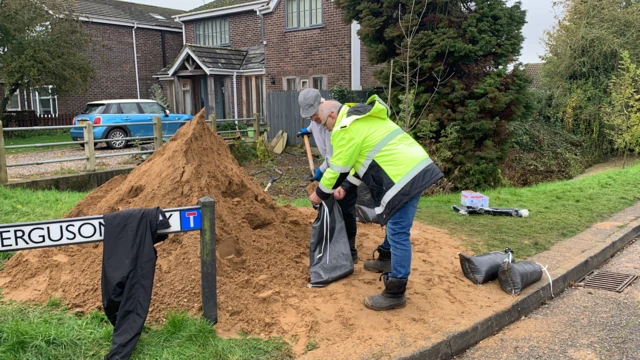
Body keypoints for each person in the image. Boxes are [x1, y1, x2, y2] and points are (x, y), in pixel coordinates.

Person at [299, 91, 443, 311]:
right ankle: (386, 257)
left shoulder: (345, 129)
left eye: (319, 120)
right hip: (412, 167)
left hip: (403, 174)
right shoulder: (359, 118)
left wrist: (318, 194)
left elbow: (337, 168)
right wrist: (346, 188)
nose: (323, 127)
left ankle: (396, 291)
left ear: (330, 115)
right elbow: (360, 162)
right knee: (392, 217)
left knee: (398, 231)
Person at [298, 88, 359, 263]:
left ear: (322, 107)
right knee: (329, 205)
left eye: (314, 116)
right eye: (309, 117)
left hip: (343, 168)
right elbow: (313, 125)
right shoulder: (317, 118)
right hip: (333, 168)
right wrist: (308, 130)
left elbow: (334, 159)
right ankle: (333, 241)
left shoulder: (333, 122)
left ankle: (350, 250)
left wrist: (320, 171)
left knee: (346, 208)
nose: (314, 120)